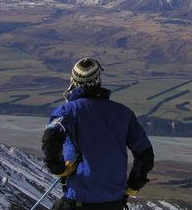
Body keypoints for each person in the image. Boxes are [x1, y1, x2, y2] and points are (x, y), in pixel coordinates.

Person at [42, 57, 154, 210]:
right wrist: (134, 185)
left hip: (78, 201)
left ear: (74, 81)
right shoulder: (123, 113)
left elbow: (50, 138)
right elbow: (145, 153)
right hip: (114, 203)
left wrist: (59, 168)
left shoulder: (69, 111)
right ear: (98, 80)